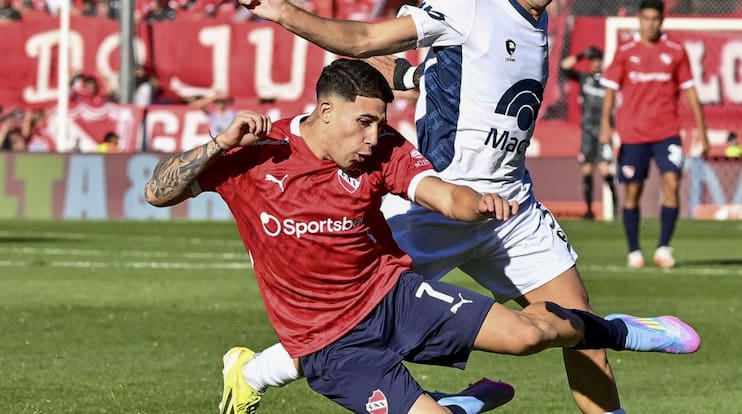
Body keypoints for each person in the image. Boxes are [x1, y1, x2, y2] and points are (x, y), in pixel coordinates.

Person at [236, 0, 684, 414]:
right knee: (353, 315)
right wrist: (283, 11)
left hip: (511, 206)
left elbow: (463, 79)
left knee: (578, 327)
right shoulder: (469, 2)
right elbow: (363, 39)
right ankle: (254, 372)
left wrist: (413, 78)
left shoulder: (537, 19)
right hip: (438, 202)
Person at [144, 59, 701, 414]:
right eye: (362, 122)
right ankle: (457, 406)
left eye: (378, 121)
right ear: (324, 110)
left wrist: (477, 203)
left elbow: (439, 192)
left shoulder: (383, 145)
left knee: (529, 337)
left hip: (396, 298)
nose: (373, 135)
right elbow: (157, 193)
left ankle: (621, 331)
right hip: (329, 346)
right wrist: (217, 144)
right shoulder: (251, 158)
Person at [599, 0, 710, 270]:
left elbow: (691, 91)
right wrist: (605, 123)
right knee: (633, 192)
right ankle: (634, 250)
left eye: (656, 19)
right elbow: (611, 90)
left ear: (662, 20)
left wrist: (703, 131)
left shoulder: (675, 50)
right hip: (633, 134)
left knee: (672, 183)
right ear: (639, 20)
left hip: (667, 132)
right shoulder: (625, 51)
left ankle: (663, 247)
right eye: (646, 19)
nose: (651, 24)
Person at [559, 45, 617, 219]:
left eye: (599, 60)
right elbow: (564, 67)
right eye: (593, 61)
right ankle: (589, 210)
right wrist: (581, 54)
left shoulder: (609, 81)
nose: (596, 64)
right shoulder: (585, 78)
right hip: (587, 132)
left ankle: (616, 208)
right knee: (587, 170)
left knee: (605, 170)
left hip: (603, 130)